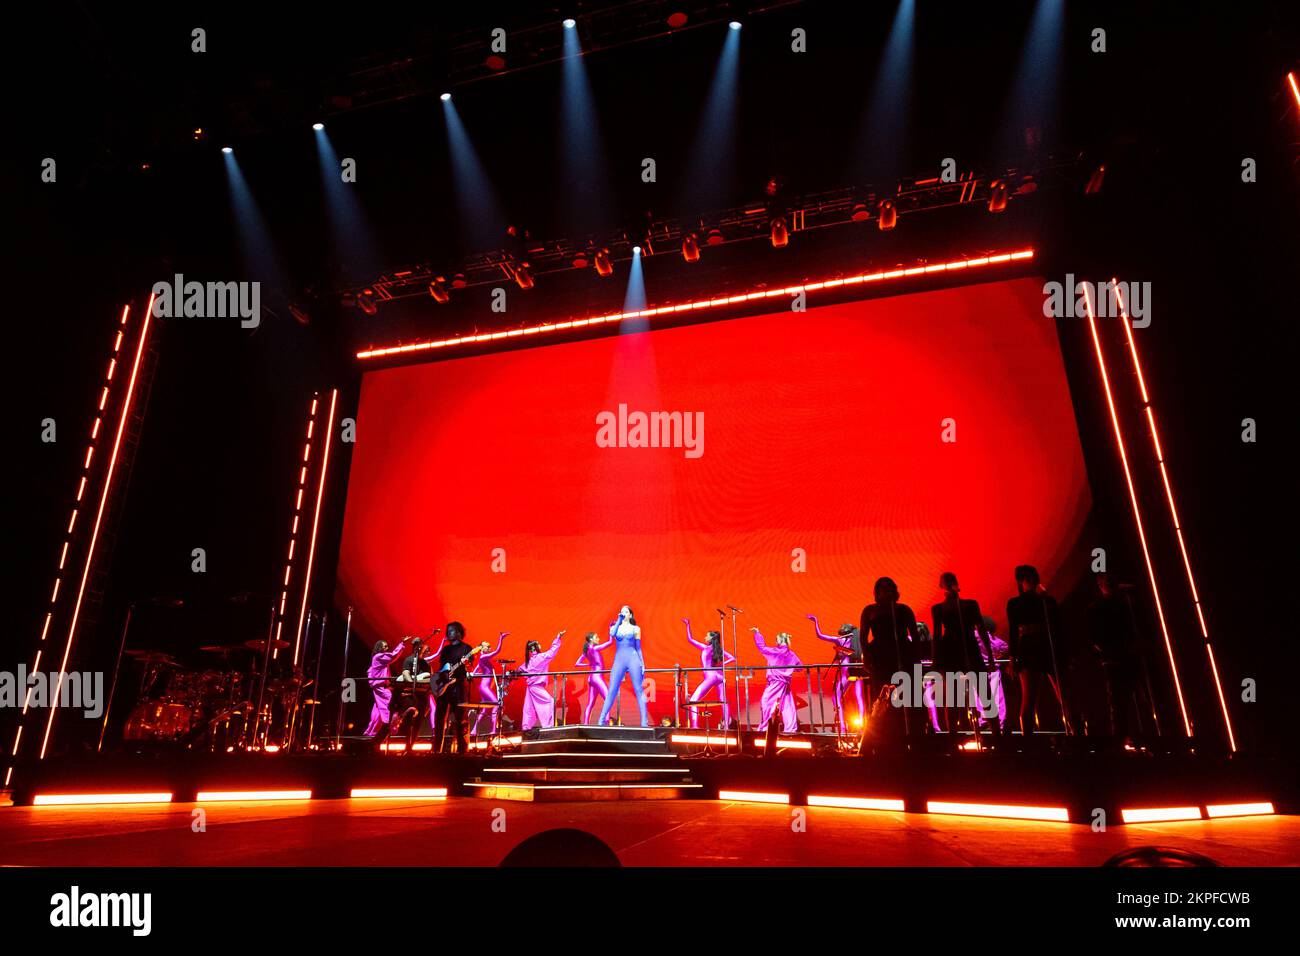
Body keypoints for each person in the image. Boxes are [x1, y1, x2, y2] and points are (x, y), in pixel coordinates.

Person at [929, 572, 997, 738]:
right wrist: (936, 659)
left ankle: (997, 735)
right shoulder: (938, 609)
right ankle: (953, 737)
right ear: (942, 586)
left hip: (970, 648)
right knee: (952, 697)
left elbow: (981, 629)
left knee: (985, 693)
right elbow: (937, 635)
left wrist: (990, 655)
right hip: (951, 650)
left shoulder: (971, 605)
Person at [1087, 573, 1152, 744]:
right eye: (1106, 583)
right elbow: (1094, 637)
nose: (1109, 585)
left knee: (1129, 697)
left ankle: (1136, 735)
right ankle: (1123, 736)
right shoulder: (1103, 607)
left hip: (1123, 655)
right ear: (1101, 586)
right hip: (1116, 657)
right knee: (1119, 698)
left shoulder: (1122, 604)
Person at [1006, 564, 1070, 736]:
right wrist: (1012, 659)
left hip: (1047, 647)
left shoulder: (1047, 601)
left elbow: (1058, 627)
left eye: (1033, 578)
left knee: (1063, 695)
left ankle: (1074, 732)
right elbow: (1013, 631)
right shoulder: (1016, 603)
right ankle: (1028, 738)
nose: (1032, 582)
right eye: (1028, 579)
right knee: (1029, 697)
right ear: (1021, 582)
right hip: (1029, 649)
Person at [859, 577, 921, 741]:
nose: (887, 592)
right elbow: (863, 638)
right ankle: (882, 737)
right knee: (882, 696)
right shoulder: (869, 610)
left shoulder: (903, 609)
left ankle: (912, 734)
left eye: (890, 588)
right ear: (877, 592)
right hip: (880, 655)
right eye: (883, 589)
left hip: (902, 652)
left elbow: (914, 635)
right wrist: (866, 658)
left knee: (908, 694)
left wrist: (916, 657)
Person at [807, 615, 865, 734]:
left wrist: (816, 622)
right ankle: (861, 725)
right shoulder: (857, 642)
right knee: (859, 698)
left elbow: (820, 635)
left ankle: (843, 726)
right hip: (857, 672)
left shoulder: (841, 640)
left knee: (836, 697)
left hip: (847, 674)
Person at [430, 622, 482, 754]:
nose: (448, 633)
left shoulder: (467, 649)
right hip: (444, 688)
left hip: (458, 686)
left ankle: (463, 751)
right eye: (448, 631)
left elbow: (469, 665)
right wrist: (441, 679)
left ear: (459, 632)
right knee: (439, 719)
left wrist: (466, 664)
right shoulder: (446, 649)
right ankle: (436, 751)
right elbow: (442, 668)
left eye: (451, 631)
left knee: (462, 720)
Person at [596, 606, 650, 727]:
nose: (623, 613)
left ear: (630, 615)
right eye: (622, 611)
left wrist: (642, 664)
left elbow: (638, 647)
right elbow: (612, 633)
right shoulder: (615, 627)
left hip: (633, 658)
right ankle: (601, 720)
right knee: (612, 690)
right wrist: (619, 621)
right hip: (619, 660)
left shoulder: (636, 629)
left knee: (639, 690)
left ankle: (644, 723)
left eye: (626, 611)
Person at [682, 618, 735, 729]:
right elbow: (732, 658)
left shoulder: (705, 648)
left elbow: (690, 639)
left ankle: (695, 726)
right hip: (720, 675)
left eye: (707, 636)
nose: (705, 638)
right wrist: (722, 665)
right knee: (723, 701)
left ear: (711, 638)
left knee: (693, 700)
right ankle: (726, 727)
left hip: (710, 676)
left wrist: (688, 625)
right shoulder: (718, 649)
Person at [752, 628, 801, 733]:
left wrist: (757, 633)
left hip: (776, 682)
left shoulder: (776, 652)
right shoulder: (791, 654)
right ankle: (791, 729)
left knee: (766, 701)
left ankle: (765, 727)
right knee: (787, 704)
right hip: (785, 682)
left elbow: (762, 647)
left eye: (776, 639)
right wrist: (788, 668)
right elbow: (800, 667)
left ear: (781, 640)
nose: (775, 642)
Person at [364, 636, 412, 737]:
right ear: (379, 647)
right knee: (388, 701)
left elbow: (370, 671)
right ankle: (388, 726)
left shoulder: (377, 658)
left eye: (387, 646)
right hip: (380, 686)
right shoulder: (378, 657)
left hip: (380, 685)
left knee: (377, 710)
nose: (387, 648)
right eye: (385, 646)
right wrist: (402, 643)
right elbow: (393, 656)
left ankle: (370, 732)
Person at [520, 631, 566, 730]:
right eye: (538, 644)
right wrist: (558, 638)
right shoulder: (540, 657)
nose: (540, 645)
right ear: (534, 648)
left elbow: (520, 669)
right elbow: (552, 651)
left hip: (531, 687)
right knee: (549, 701)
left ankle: (526, 728)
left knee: (529, 708)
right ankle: (548, 726)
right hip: (536, 687)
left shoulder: (529, 661)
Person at [469, 631, 509, 738]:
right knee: (496, 704)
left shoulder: (482, 659)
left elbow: (477, 669)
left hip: (484, 687)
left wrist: (473, 673)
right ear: (482, 648)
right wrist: (501, 638)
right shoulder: (483, 657)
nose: (489, 648)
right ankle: (492, 730)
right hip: (485, 687)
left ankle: (473, 730)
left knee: (485, 709)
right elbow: (497, 651)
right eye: (487, 647)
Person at [574, 632, 612, 725]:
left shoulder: (586, 652)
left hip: (592, 677)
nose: (598, 639)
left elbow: (577, 664)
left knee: (591, 703)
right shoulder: (595, 649)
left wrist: (589, 664)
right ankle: (605, 721)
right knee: (608, 698)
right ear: (591, 639)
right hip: (597, 677)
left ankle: (586, 724)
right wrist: (611, 630)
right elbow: (610, 642)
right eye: (596, 637)